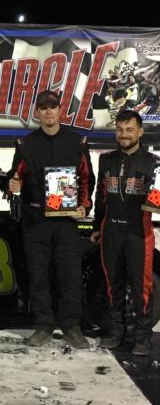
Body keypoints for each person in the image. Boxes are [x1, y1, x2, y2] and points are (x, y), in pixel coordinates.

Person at [8, 90, 95, 349]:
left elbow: (86, 179)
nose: (48, 112)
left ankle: (71, 326)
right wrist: (13, 184)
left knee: (69, 276)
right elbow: (16, 177)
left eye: (52, 107)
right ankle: (43, 326)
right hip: (35, 221)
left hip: (67, 223)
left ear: (60, 110)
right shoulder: (25, 144)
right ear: (37, 112)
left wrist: (83, 206)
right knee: (39, 277)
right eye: (43, 108)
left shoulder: (77, 142)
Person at [91, 110, 156, 356]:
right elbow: (101, 197)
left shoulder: (152, 162)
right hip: (111, 231)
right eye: (120, 129)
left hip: (139, 232)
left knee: (142, 287)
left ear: (140, 131)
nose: (124, 134)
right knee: (112, 284)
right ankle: (116, 332)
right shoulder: (106, 160)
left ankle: (142, 336)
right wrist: (98, 227)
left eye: (129, 129)